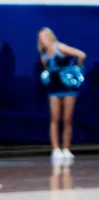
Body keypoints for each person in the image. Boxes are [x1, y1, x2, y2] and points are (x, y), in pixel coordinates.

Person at [37, 27, 86, 167]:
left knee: (67, 119)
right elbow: (47, 69)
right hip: (54, 88)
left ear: (50, 36)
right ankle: (55, 149)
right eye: (40, 38)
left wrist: (75, 69)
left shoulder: (59, 47)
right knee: (54, 118)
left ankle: (66, 149)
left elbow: (81, 55)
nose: (43, 40)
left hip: (68, 87)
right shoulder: (43, 55)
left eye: (45, 36)